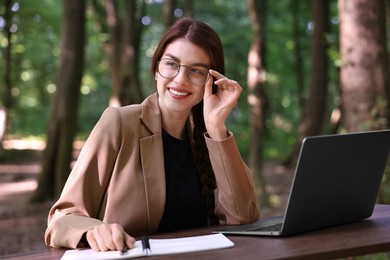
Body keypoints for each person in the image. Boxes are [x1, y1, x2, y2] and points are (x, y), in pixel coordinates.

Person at [44, 17, 260, 252]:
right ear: (157, 69)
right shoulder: (118, 123)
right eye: (171, 64)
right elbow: (61, 218)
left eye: (196, 71)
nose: (180, 79)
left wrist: (217, 128)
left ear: (212, 83)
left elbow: (243, 217)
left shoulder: (209, 139)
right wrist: (93, 230)